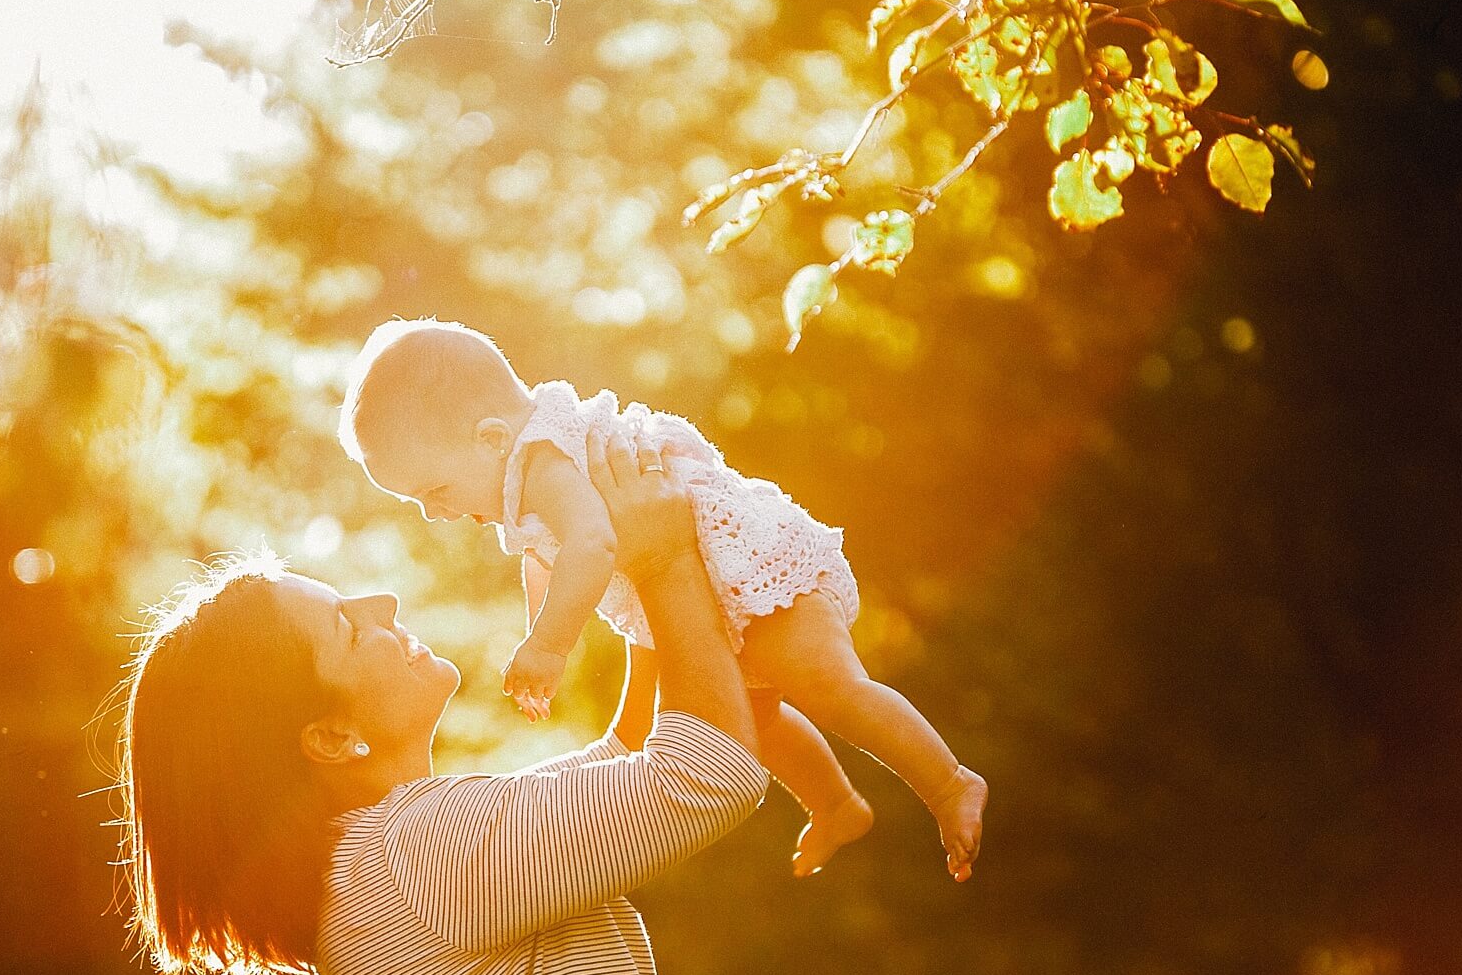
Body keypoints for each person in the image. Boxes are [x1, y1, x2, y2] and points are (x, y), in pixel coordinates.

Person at [118, 432, 772, 975]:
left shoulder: (377, 869)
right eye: (349, 630)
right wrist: (673, 556)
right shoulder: (417, 852)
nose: (383, 605)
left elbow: (621, 767)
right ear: (330, 735)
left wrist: (636, 582)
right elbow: (707, 772)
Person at [337, 317, 986, 880]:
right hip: (707, 580)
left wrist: (549, 645)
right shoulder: (520, 487)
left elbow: (590, 544)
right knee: (753, 720)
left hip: (742, 554)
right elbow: (546, 562)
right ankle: (836, 805)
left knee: (824, 680)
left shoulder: (543, 460)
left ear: (488, 438)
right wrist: (537, 627)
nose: (437, 513)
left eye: (436, 490)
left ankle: (950, 781)